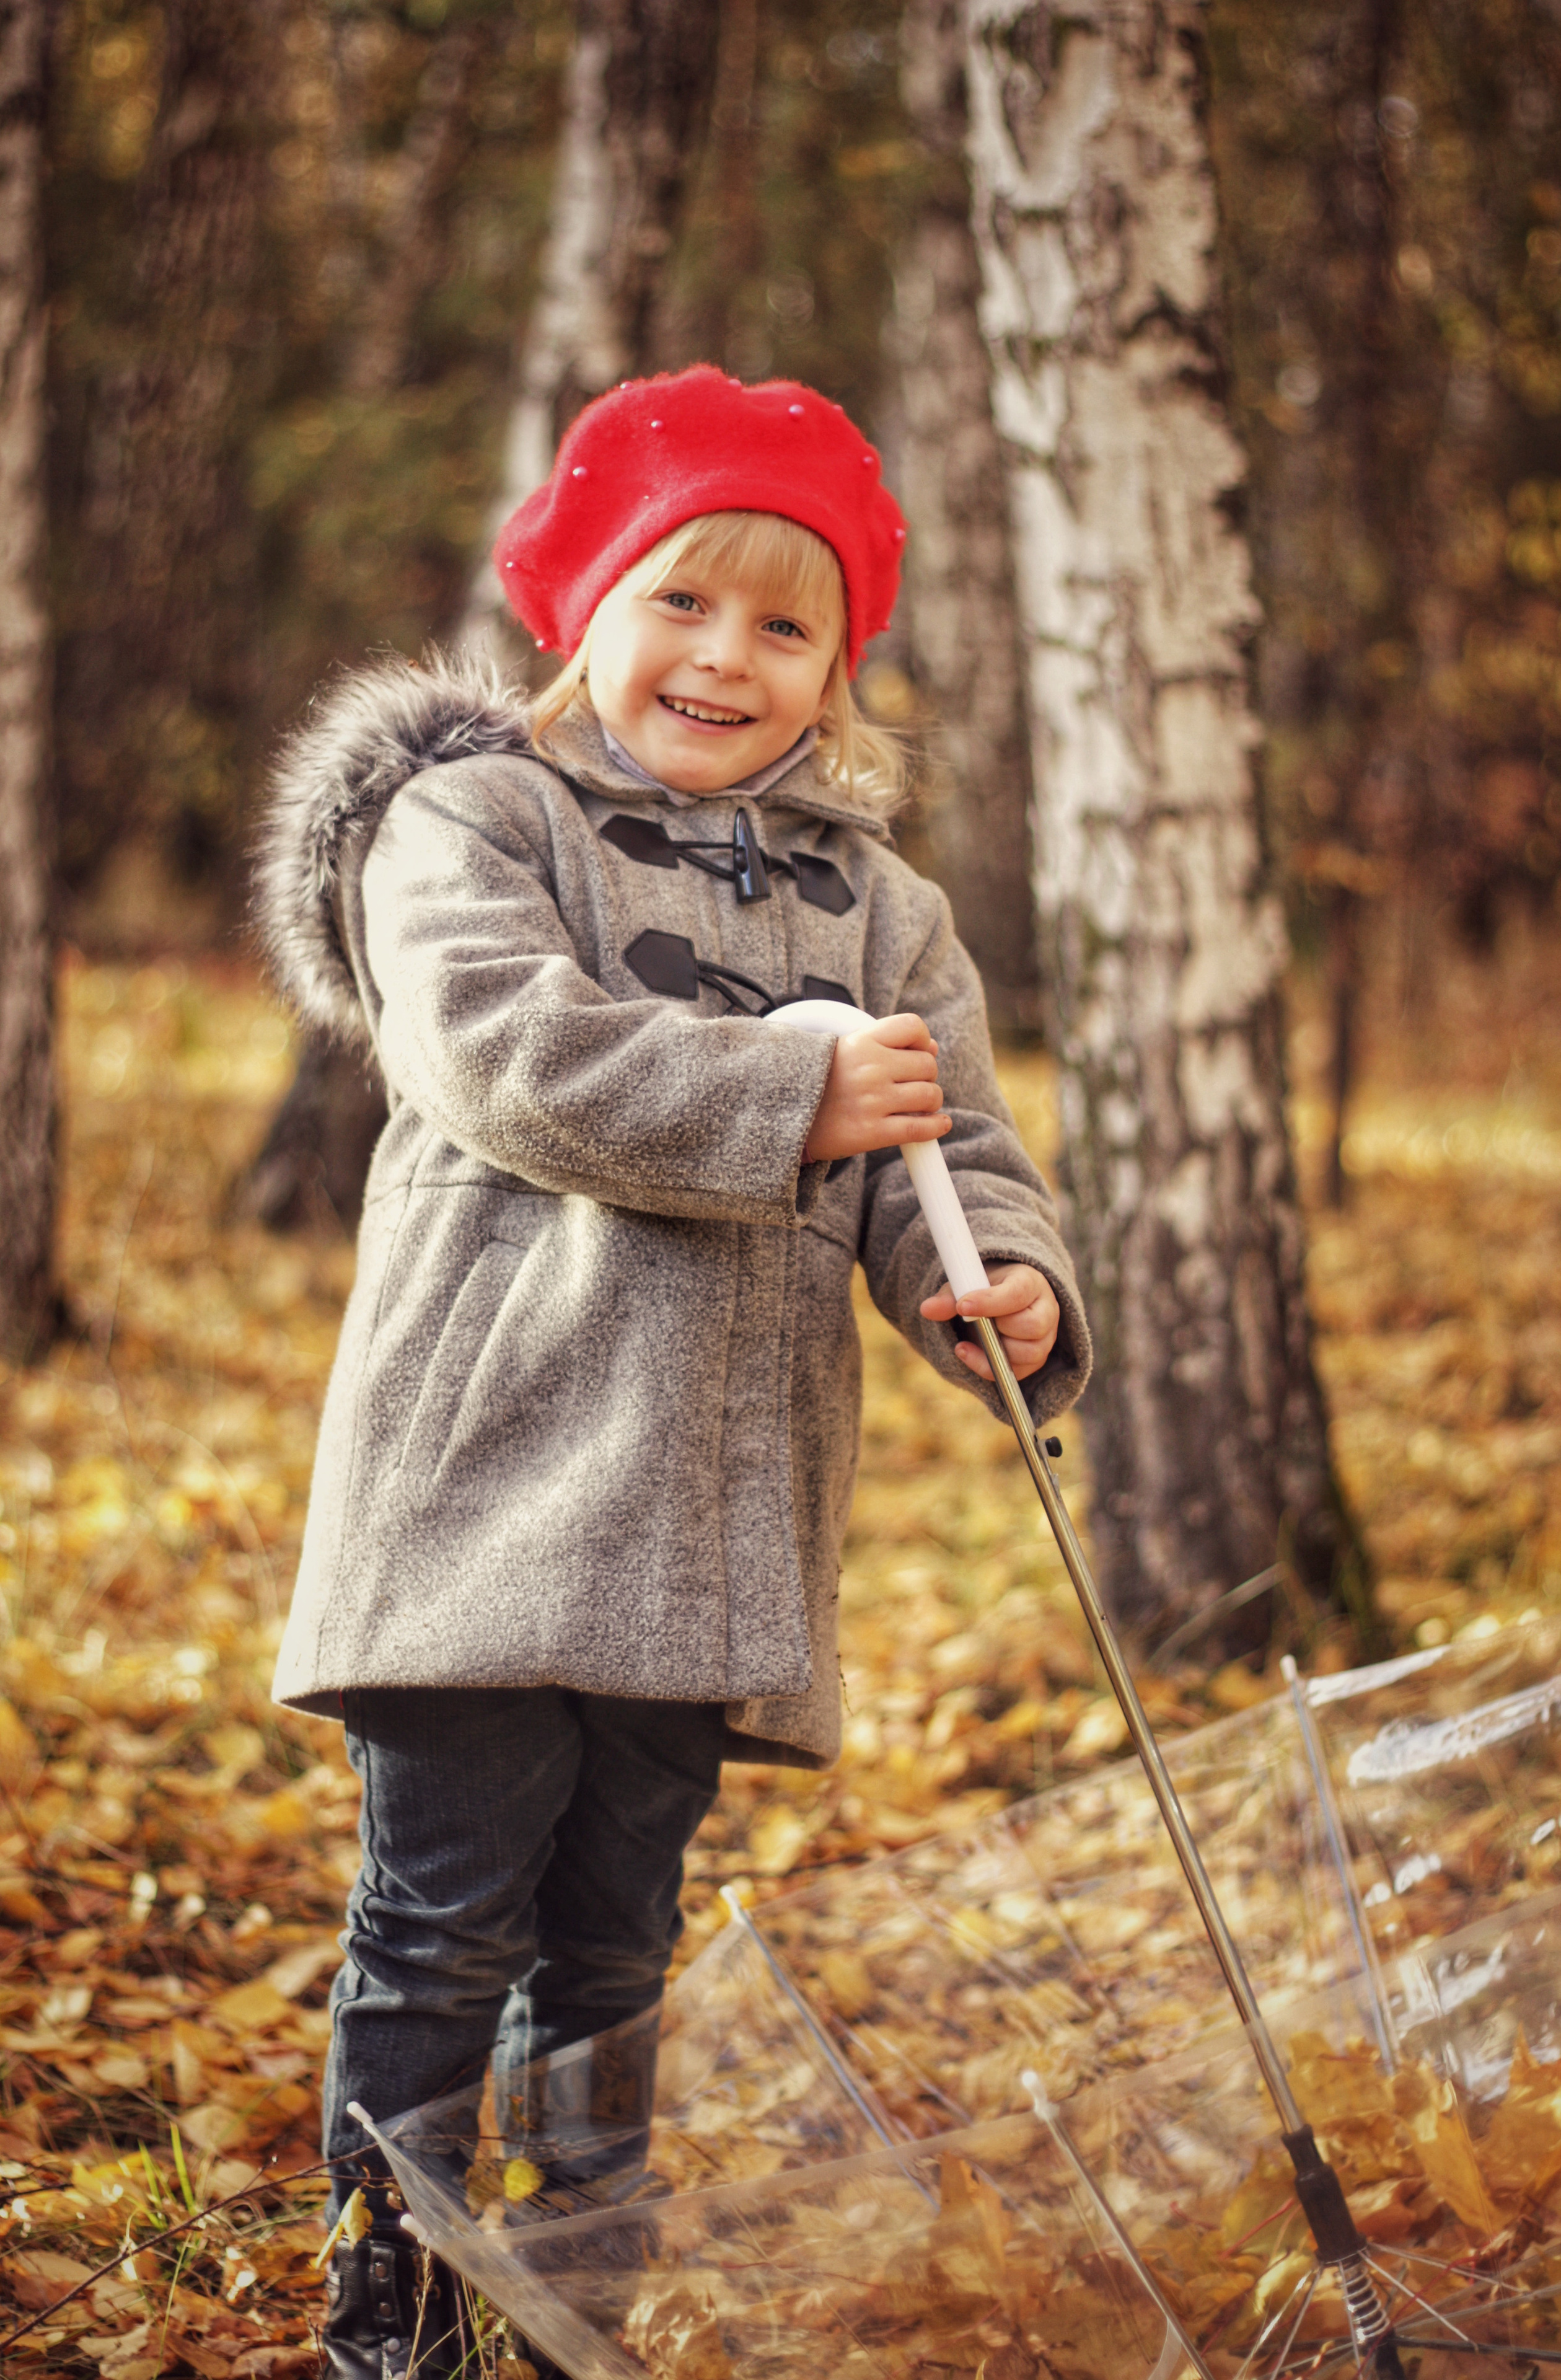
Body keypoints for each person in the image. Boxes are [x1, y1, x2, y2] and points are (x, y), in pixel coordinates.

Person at [258, 364, 1092, 2378]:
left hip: (710, 1517)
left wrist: (1004, 1287)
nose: (727, 656)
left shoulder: (886, 912)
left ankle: (575, 2287)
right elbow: (504, 1056)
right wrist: (792, 1084)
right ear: (587, 611)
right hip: (490, 1480)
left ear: (837, 671)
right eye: (683, 600)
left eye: (784, 623)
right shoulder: (475, 825)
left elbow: (942, 1148)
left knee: (616, 1939)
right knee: (448, 1911)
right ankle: (397, 2283)